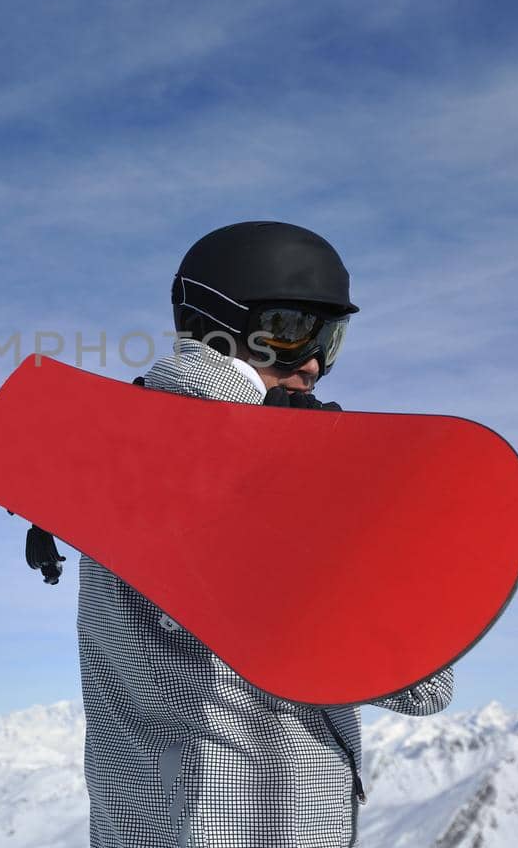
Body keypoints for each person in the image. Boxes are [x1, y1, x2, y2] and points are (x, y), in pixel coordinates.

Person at [77, 221, 454, 848]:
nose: (312, 361)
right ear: (219, 327)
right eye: (289, 328)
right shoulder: (247, 478)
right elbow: (420, 682)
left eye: (330, 339)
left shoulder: (123, 450)